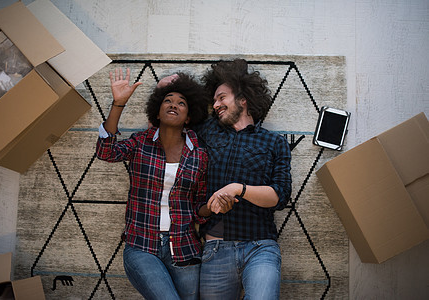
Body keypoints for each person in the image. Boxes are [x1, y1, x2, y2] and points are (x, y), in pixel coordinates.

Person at [95, 68, 211, 300]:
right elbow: (105, 152)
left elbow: (199, 208)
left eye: (181, 103)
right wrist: (118, 104)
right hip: (141, 245)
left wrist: (213, 206)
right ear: (157, 112)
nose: (174, 104)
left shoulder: (200, 154)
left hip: (184, 248)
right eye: (167, 100)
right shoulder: (140, 142)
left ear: (189, 117)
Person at [193, 59, 292, 299]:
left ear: (243, 99)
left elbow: (280, 196)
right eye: (214, 100)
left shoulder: (274, 142)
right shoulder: (206, 131)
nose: (216, 105)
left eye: (222, 97)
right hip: (216, 249)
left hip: (260, 247)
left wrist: (238, 189)